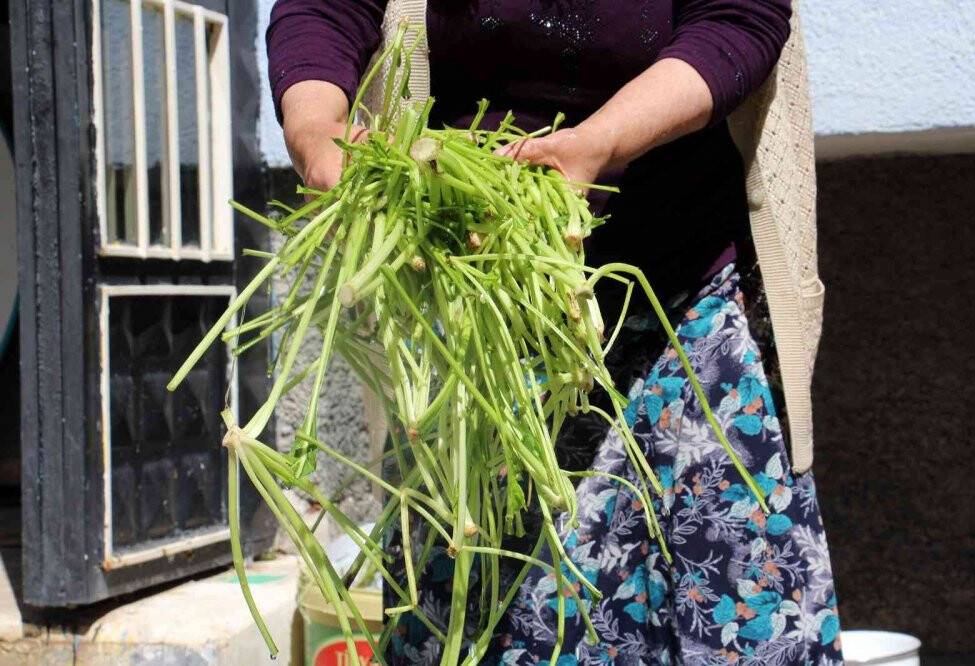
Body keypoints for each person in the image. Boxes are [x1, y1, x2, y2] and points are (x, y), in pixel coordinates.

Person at [267, 1, 843, 663]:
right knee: (493, 611)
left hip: (678, 309)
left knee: (729, 603)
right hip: (479, 316)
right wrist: (316, 129)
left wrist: (600, 140)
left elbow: (741, 16)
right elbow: (326, 9)